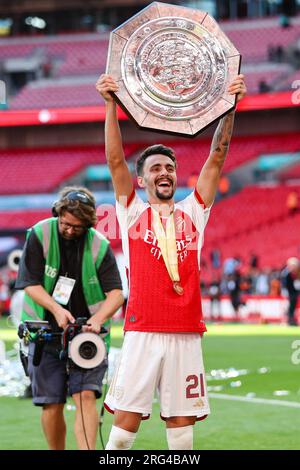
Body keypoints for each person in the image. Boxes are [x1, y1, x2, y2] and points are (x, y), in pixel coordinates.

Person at [96, 73, 246, 450]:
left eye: (169, 168)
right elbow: (114, 160)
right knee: (122, 434)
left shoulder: (193, 212)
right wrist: (111, 104)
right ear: (142, 180)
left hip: (186, 331)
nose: (164, 173)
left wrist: (231, 106)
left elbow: (217, 156)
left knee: (181, 435)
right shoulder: (131, 212)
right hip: (143, 330)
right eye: (156, 169)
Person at [15, 186, 124, 450]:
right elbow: (29, 282)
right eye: (65, 223)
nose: (69, 230)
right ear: (58, 213)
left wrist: (98, 320)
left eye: (77, 226)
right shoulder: (40, 234)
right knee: (52, 403)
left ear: (87, 224)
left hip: (88, 337)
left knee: (86, 395)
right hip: (45, 335)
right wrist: (55, 308)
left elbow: (117, 294)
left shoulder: (99, 245)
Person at [281, 257, 300, 326]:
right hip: (289, 292)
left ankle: (292, 320)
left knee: (294, 306)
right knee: (289, 306)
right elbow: (284, 283)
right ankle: (288, 320)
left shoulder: (298, 272)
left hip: (295, 292)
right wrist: (284, 290)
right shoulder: (286, 273)